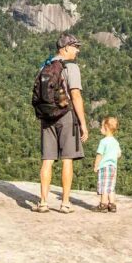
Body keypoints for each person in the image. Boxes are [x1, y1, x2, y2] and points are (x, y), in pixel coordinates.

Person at [33, 33, 89, 213]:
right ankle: (65, 203)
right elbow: (76, 96)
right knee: (67, 159)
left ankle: (43, 202)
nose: (77, 50)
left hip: (47, 116)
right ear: (65, 48)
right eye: (75, 46)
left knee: (47, 160)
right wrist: (83, 123)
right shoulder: (70, 67)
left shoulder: (46, 65)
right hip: (65, 115)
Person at [93, 116, 121, 213]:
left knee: (104, 186)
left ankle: (103, 204)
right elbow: (119, 154)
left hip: (104, 167)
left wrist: (96, 166)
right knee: (111, 186)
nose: (100, 129)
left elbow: (99, 155)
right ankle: (112, 205)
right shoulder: (115, 142)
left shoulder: (103, 141)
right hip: (113, 167)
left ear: (106, 127)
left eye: (101, 127)